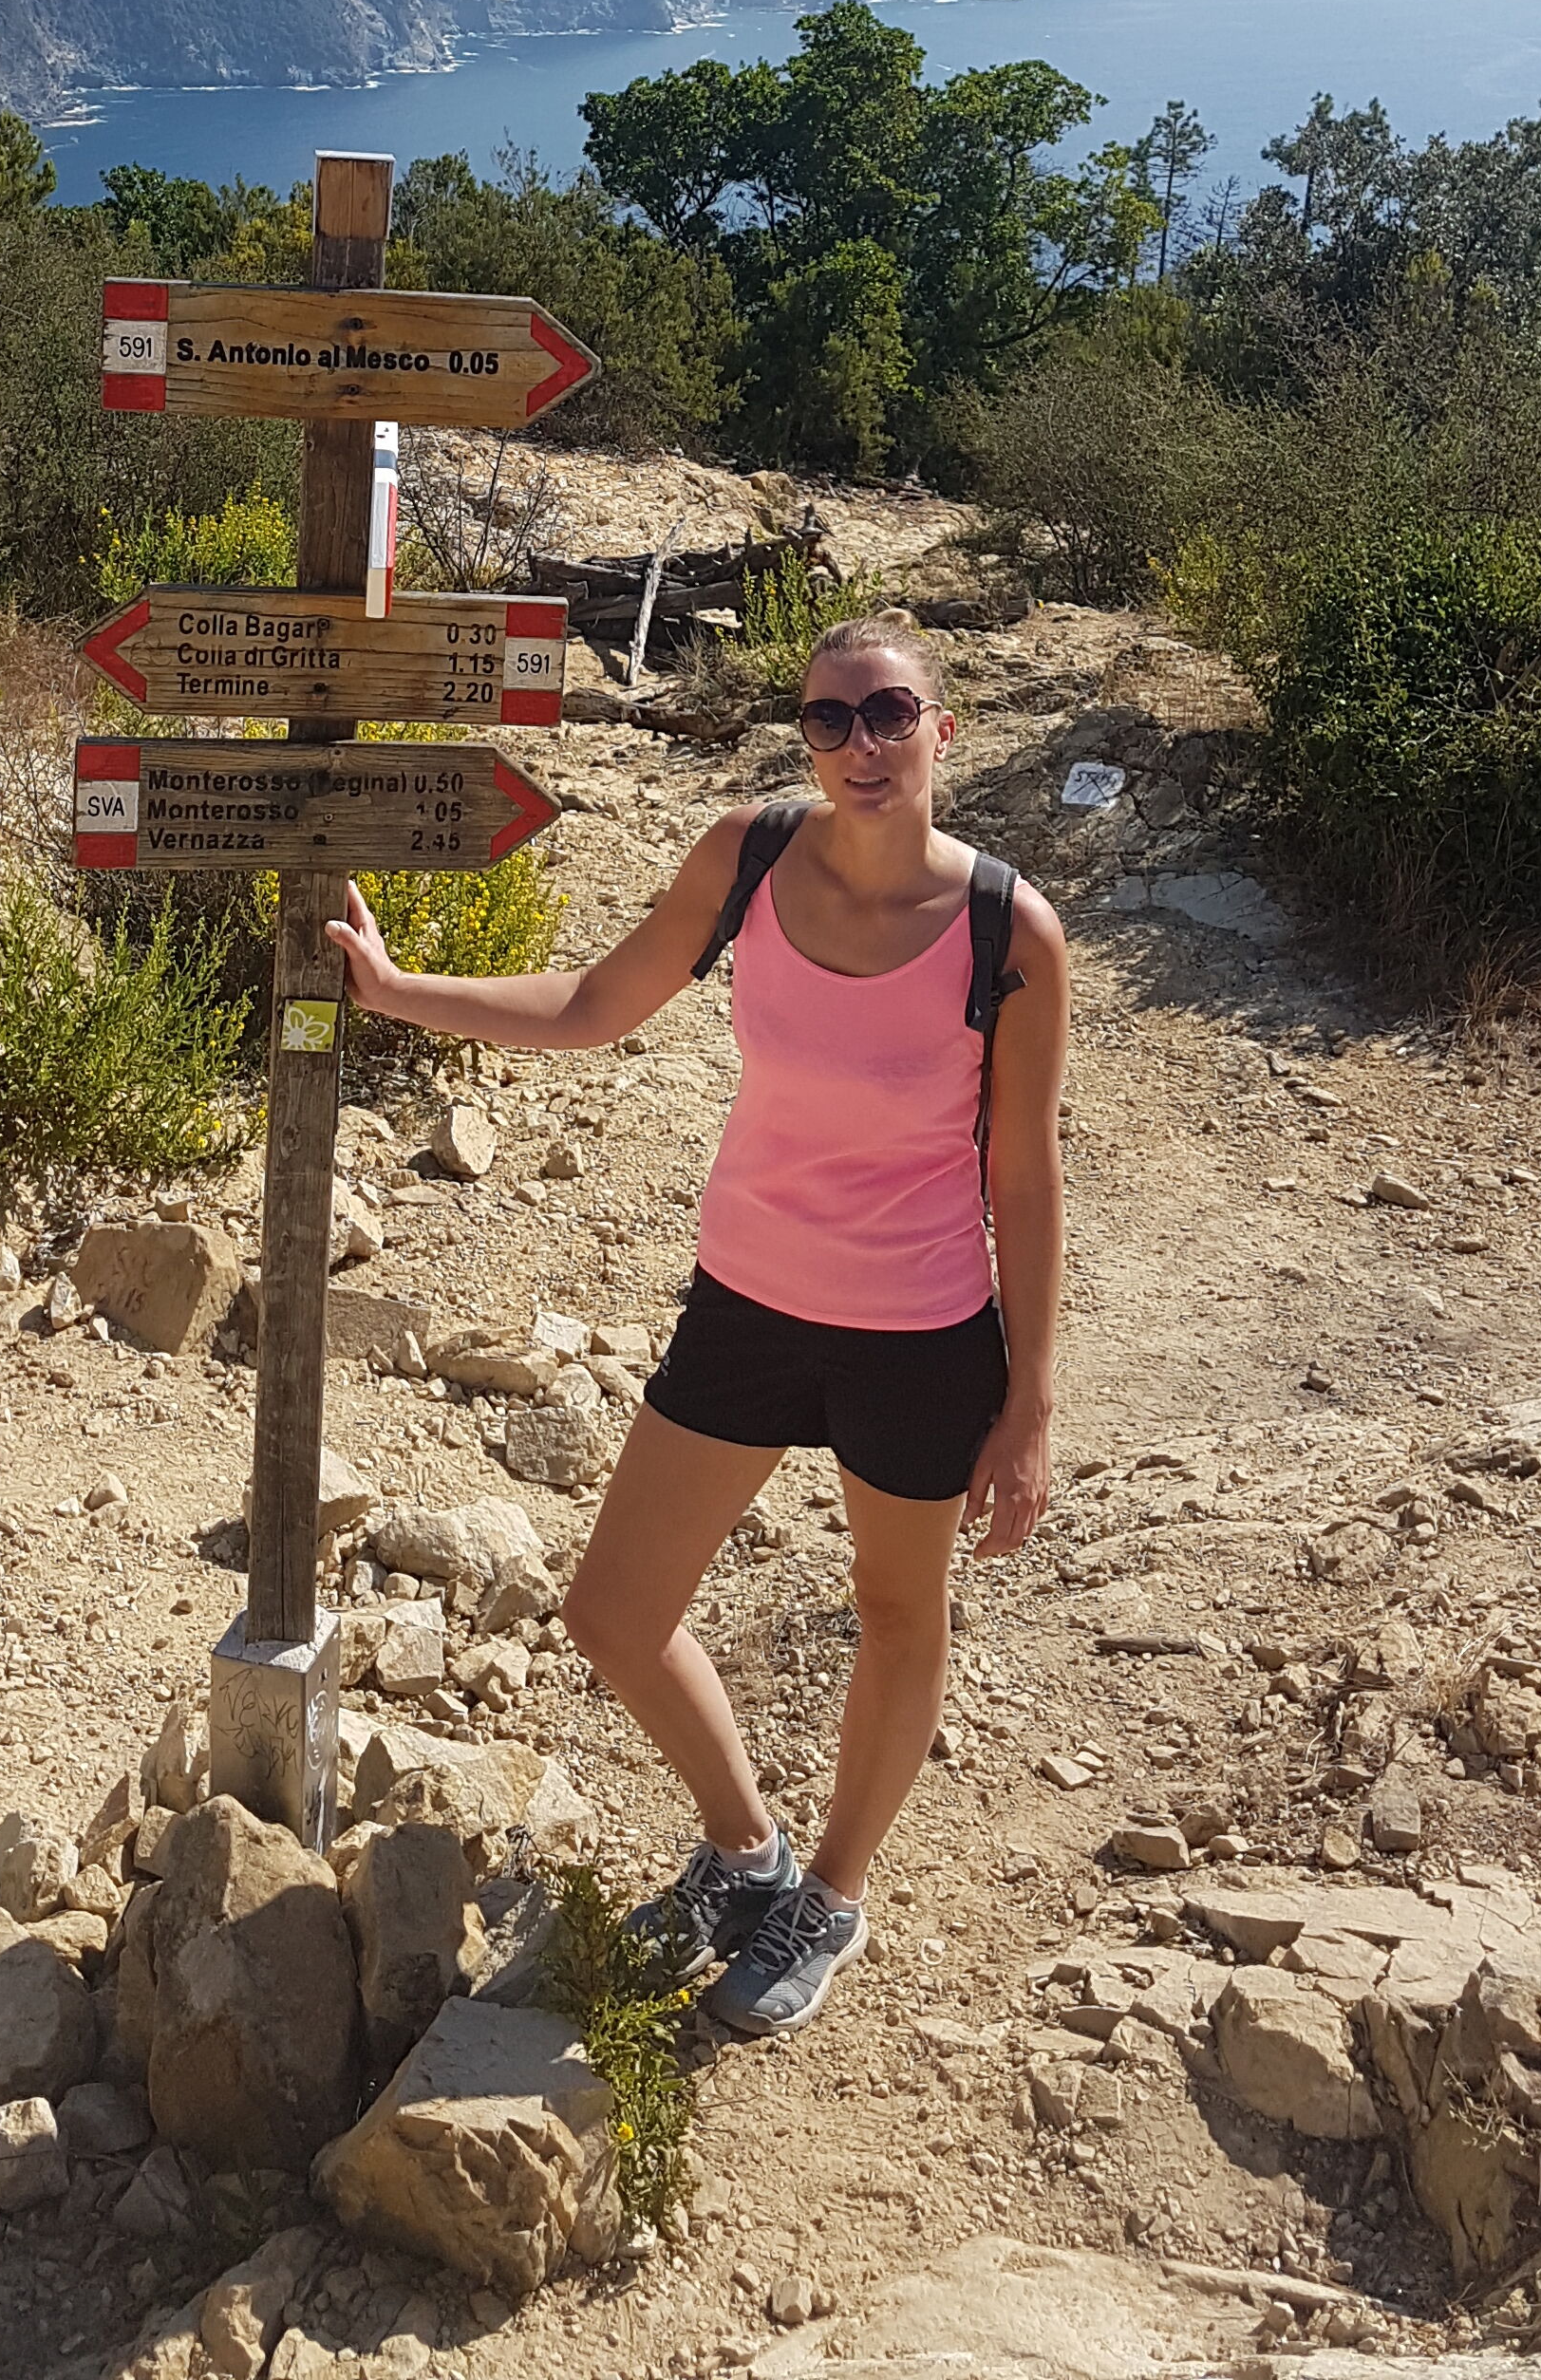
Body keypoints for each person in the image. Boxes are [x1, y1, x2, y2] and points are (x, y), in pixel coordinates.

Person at [326, 608, 1068, 2039]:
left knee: (899, 1612)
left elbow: (1024, 1176)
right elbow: (600, 1000)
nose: (861, 745)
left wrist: (1029, 1400)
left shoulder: (1008, 931)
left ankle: (829, 1898)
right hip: (749, 1302)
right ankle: (747, 1851)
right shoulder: (750, 856)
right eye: (831, 719)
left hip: (920, 1329)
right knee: (611, 1613)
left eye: (890, 714)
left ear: (942, 728)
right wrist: (407, 995)